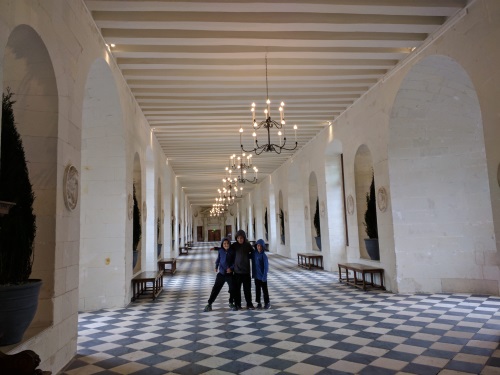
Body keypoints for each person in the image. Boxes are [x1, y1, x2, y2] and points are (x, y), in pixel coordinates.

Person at [203, 237, 235, 312]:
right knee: (215, 289)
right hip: (221, 273)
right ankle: (209, 303)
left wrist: (231, 268)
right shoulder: (220, 251)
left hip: (229, 274)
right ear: (222, 244)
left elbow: (234, 262)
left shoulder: (233, 251)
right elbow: (218, 259)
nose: (226, 245)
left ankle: (231, 302)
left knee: (232, 288)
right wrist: (216, 266)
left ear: (229, 244)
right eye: (224, 243)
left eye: (227, 243)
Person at [231, 229, 255, 310]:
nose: (240, 239)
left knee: (247, 289)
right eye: (238, 238)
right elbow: (227, 250)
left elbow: (253, 253)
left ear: (244, 238)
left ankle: (249, 304)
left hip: (246, 271)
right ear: (236, 238)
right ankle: (237, 304)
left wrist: (248, 256)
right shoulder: (234, 245)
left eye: (241, 238)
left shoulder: (248, 245)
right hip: (237, 271)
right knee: (237, 289)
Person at [252, 239, 270, 309]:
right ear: (256, 246)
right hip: (256, 276)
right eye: (258, 246)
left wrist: (264, 276)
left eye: (260, 246)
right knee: (257, 290)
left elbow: (266, 267)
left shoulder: (264, 256)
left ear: (263, 247)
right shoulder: (254, 254)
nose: (259, 247)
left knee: (265, 290)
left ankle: (267, 302)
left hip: (262, 276)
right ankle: (258, 302)